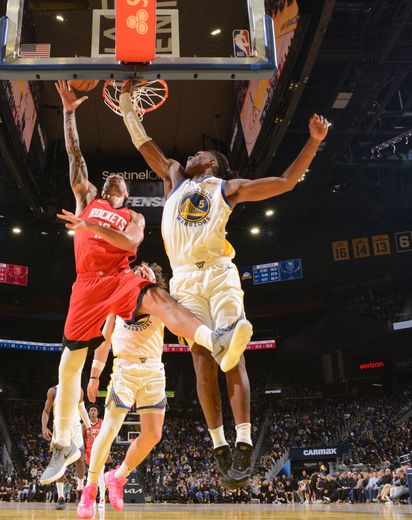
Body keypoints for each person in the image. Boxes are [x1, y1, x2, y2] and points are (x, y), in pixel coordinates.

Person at [118, 80, 329, 487]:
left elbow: (285, 182)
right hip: (183, 278)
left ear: (213, 163)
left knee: (232, 353)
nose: (191, 153)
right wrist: (128, 105)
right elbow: (144, 143)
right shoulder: (176, 177)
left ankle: (245, 439)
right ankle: (218, 443)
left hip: (217, 271)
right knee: (202, 358)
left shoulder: (225, 187)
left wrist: (314, 141)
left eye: (201, 152)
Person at [41, 81, 251, 485]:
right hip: (85, 285)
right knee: (69, 365)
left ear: (128, 194)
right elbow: (75, 155)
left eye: (122, 180)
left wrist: (89, 228)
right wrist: (69, 112)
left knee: (157, 296)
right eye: (112, 178)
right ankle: (64, 445)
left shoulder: (134, 218)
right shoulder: (87, 198)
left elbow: (129, 243)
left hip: (118, 279)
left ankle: (214, 338)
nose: (116, 178)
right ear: (105, 188)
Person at [78, 262, 167, 519]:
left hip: (153, 371)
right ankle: (91, 488)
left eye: (147, 269)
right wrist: (94, 375)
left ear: (154, 278)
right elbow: (103, 342)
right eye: (138, 268)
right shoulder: (117, 304)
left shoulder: (161, 301)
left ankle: (118, 477)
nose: (142, 270)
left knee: (152, 435)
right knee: (107, 431)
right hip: (125, 369)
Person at [41, 384, 90, 509]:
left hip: (75, 427)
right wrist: (44, 427)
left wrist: (88, 426)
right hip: (60, 428)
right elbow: (46, 411)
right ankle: (61, 497)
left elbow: (82, 409)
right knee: (59, 462)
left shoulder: (78, 389)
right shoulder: (53, 391)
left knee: (80, 460)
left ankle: (80, 489)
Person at [83, 404, 106, 509]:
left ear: (97, 412)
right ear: (88, 412)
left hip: (100, 452)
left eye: (94, 410)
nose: (92, 411)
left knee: (100, 474)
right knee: (91, 477)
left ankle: (101, 498)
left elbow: (107, 438)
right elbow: (82, 439)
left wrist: (108, 452)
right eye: (91, 410)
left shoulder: (102, 423)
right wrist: (83, 453)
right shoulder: (84, 425)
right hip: (89, 452)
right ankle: (91, 499)